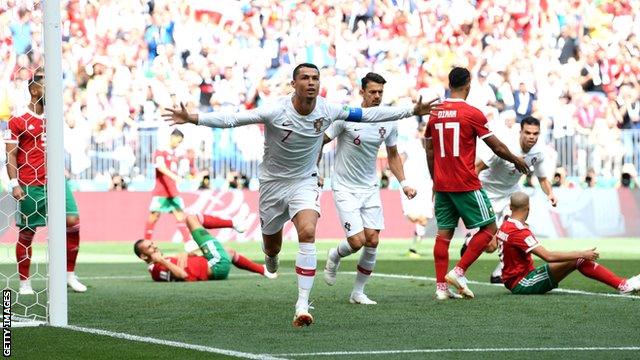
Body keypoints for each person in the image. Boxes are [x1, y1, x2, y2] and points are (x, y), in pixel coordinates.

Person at [163, 63, 440, 326]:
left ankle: (302, 306)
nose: (311, 82)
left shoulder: (329, 110)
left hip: (305, 182)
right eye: (305, 78)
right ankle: (270, 257)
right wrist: (192, 119)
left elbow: (368, 115)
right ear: (294, 83)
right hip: (273, 184)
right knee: (272, 248)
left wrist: (411, 111)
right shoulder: (275, 111)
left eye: (315, 78)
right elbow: (233, 118)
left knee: (307, 232)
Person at [425, 67, 528, 300]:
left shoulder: (435, 112)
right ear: (468, 85)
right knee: (490, 228)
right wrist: (516, 159)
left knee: (443, 235)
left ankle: (441, 288)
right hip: (465, 182)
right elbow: (497, 147)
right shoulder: (472, 113)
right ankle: (459, 272)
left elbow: (429, 149)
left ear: (449, 84)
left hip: (442, 184)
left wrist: (434, 179)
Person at [320, 72, 417, 305]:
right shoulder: (346, 117)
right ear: (362, 92)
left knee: (372, 240)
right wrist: (315, 172)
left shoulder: (388, 119)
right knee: (356, 241)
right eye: (372, 92)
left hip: (370, 187)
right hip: (344, 186)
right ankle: (334, 255)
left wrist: (404, 183)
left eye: (380, 92)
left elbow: (393, 155)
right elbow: (319, 141)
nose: (376, 96)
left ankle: (358, 292)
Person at [4, 72, 86, 294]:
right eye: (46, 85)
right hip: (30, 182)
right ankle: (24, 282)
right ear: (34, 90)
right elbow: (10, 154)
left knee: (73, 220)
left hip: (57, 180)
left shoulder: (54, 118)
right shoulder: (18, 119)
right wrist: (14, 183)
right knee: (28, 232)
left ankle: (70, 274)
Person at [487, 192, 639, 295]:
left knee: (576, 260)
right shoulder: (519, 231)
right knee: (579, 259)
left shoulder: (505, 224)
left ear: (511, 207)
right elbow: (548, 256)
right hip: (523, 283)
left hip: (516, 278)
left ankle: (623, 284)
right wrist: (582, 253)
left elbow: (492, 246)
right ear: (528, 208)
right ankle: (623, 285)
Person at [466, 116, 557, 283]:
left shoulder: (539, 152)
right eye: (528, 132)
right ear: (520, 131)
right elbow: (477, 168)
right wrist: (474, 193)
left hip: (511, 194)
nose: (532, 137)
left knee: (518, 231)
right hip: (489, 192)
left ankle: (499, 273)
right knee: (490, 246)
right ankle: (470, 240)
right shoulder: (503, 146)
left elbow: (543, 179)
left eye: (535, 133)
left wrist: (550, 193)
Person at [134, 214, 276, 282]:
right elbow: (183, 275)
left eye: (153, 244)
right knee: (191, 218)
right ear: (143, 256)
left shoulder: (161, 263)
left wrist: (186, 254)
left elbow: (185, 267)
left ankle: (264, 271)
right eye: (150, 248)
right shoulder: (156, 269)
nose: (155, 246)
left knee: (229, 252)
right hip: (216, 263)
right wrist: (164, 261)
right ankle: (233, 223)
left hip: (215, 265)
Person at [399, 121, 433, 258]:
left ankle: (413, 249)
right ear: (419, 133)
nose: (427, 135)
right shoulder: (411, 145)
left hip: (426, 185)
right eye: (425, 132)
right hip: (410, 184)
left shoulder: (434, 147)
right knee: (413, 217)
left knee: (424, 219)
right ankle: (414, 247)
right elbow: (400, 159)